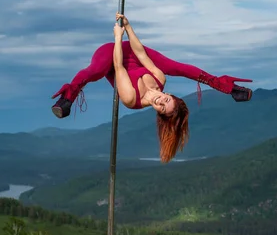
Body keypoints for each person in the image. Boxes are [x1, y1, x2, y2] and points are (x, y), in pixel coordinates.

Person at [51, 13, 253, 163]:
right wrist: (129, 28)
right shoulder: (159, 79)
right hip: (134, 51)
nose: (161, 102)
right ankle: (227, 87)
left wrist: (117, 38)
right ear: (168, 94)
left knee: (96, 71)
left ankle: (66, 99)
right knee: (177, 67)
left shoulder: (131, 100)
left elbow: (119, 66)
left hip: (115, 56)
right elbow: (141, 54)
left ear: (158, 112)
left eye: (162, 107)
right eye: (166, 100)